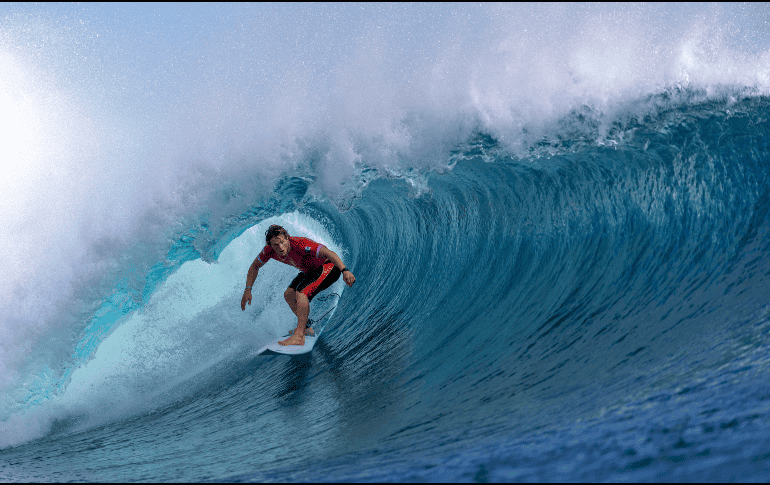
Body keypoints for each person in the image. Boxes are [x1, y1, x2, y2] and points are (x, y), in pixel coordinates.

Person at [241, 224, 355, 346]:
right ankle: (306, 328)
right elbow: (254, 267)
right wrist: (248, 290)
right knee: (289, 295)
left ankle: (299, 336)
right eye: (275, 244)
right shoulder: (268, 251)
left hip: (329, 267)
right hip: (309, 272)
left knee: (301, 294)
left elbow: (328, 253)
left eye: (282, 242)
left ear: (287, 238)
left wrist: (345, 270)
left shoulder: (300, 244)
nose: (280, 247)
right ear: (270, 245)